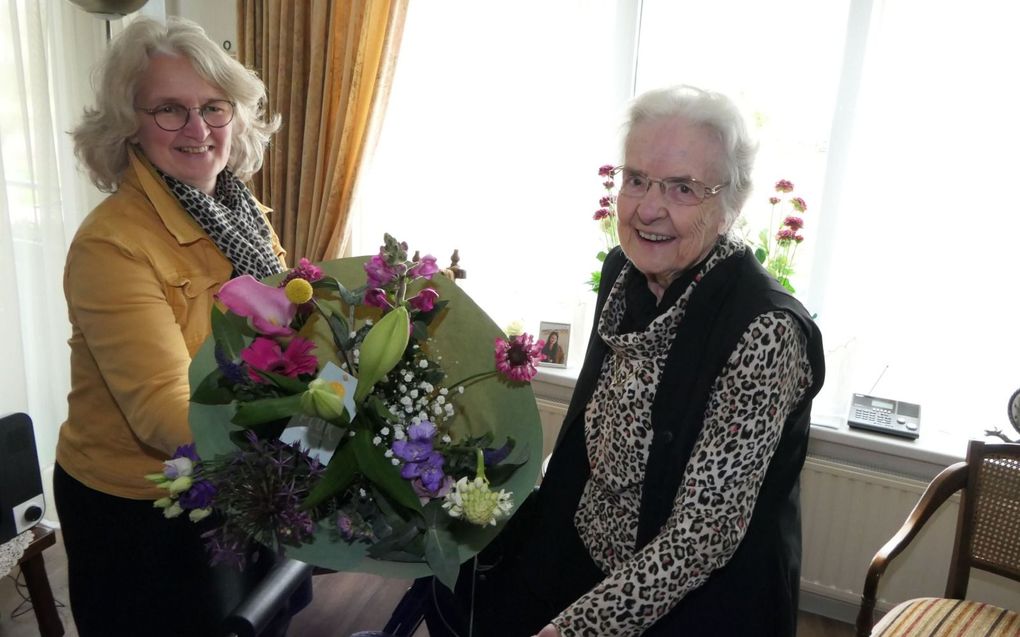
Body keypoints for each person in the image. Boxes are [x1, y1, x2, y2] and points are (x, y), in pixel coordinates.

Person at [419, 85, 825, 636]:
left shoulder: (766, 331)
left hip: (693, 600)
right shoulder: (624, 272)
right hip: (587, 551)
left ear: (728, 205)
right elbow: (597, 421)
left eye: (683, 188)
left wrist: (573, 630)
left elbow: (701, 536)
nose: (647, 208)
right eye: (635, 179)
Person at [53, 17, 299, 637]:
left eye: (213, 107)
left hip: (240, 475)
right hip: (142, 511)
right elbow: (166, 413)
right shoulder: (111, 245)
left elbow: (292, 332)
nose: (197, 129)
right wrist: (314, 415)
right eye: (169, 109)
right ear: (128, 123)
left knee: (260, 622)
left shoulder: (240, 213)